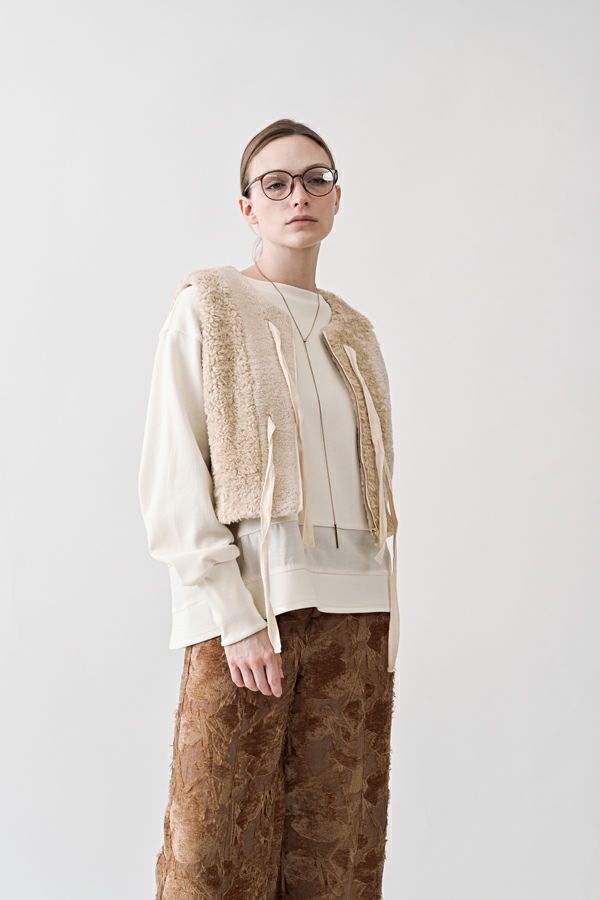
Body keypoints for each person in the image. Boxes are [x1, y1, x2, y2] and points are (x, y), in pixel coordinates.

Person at [138, 117, 400, 899]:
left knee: (337, 858)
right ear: (248, 206)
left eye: (317, 179)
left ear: (338, 197)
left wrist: (385, 621)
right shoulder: (209, 306)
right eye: (276, 183)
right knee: (213, 858)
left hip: (357, 616)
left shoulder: (355, 331)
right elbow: (172, 473)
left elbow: (374, 489)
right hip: (249, 617)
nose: (299, 196)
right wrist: (234, 611)